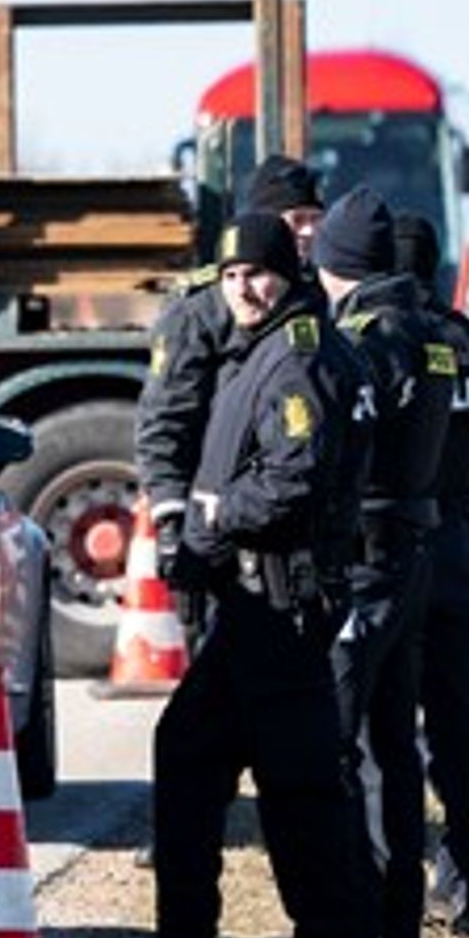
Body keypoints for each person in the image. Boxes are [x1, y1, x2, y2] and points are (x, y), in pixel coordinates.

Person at [137, 211, 365, 938]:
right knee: (189, 753)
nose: (243, 287)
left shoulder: (296, 358)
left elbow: (295, 477)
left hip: (283, 599)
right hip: (249, 603)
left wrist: (212, 516)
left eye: (257, 273)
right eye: (231, 275)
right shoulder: (255, 348)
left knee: (297, 783)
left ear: (290, 274)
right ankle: (181, 937)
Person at [313, 186, 454, 938]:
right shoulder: (430, 333)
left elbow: (340, 447)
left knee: (334, 742)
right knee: (393, 747)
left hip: (365, 560)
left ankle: (349, 925)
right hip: (413, 555)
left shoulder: (366, 338)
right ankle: (397, 927)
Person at [393, 215, 469, 937]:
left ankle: (392, 894)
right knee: (460, 731)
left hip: (392, 556)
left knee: (385, 736)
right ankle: (465, 890)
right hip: (459, 556)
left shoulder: (375, 341)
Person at [136, 155, 324, 611]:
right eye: (295, 220)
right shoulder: (201, 310)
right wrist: (172, 524)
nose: (308, 233)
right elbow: (165, 421)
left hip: (287, 529)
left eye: (316, 220)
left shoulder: (315, 296)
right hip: (215, 524)